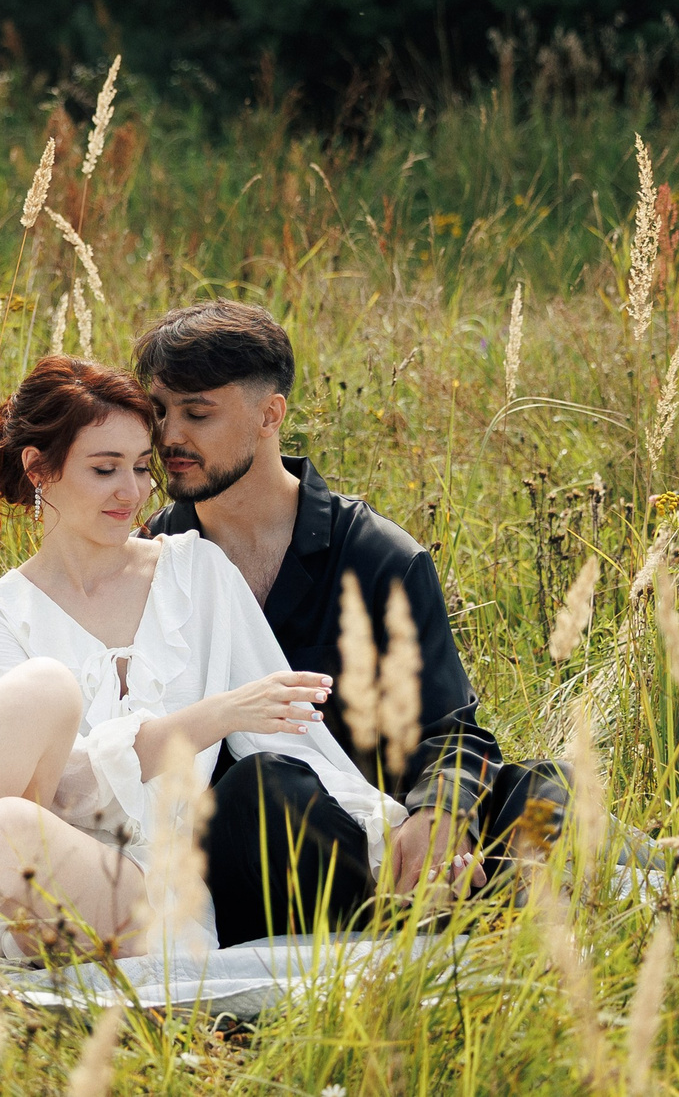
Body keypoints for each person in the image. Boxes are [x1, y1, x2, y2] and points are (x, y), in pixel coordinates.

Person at [0, 356, 405, 955]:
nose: (133, 491)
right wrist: (214, 716)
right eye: (105, 469)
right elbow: (65, 792)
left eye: (143, 467)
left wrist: (400, 840)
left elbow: (295, 741)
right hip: (40, 865)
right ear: (40, 471)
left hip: (159, 897)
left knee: (12, 826)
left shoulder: (196, 572)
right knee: (40, 700)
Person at [134, 299, 568, 946]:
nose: (169, 436)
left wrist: (439, 815)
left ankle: (471, 923)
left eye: (196, 413)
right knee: (266, 782)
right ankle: (405, 943)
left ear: (269, 415)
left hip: (391, 833)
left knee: (547, 787)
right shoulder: (149, 560)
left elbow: (453, 731)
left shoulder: (377, 555)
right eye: (159, 412)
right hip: (261, 848)